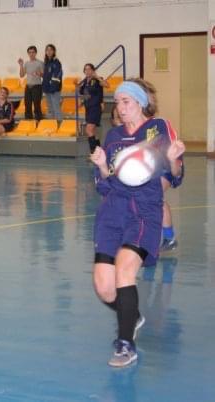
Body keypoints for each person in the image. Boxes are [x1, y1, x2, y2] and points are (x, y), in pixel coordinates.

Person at [89, 78, 185, 367]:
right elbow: (103, 186)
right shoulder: (113, 136)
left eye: (125, 101)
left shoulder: (158, 130)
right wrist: (103, 166)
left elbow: (175, 176)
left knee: (125, 269)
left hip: (143, 212)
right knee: (104, 288)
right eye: (117, 102)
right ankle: (131, 316)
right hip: (112, 213)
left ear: (141, 102)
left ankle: (125, 344)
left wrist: (173, 160)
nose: (120, 107)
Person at [112, 97, 181, 253]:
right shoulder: (119, 135)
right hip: (142, 172)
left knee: (153, 197)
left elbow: (168, 147)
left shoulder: (157, 125)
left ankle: (168, 237)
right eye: (116, 118)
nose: (120, 120)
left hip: (163, 168)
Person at [78, 63, 109, 153]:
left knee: (88, 129)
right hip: (88, 108)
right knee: (93, 131)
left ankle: (93, 152)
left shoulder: (97, 80)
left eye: (89, 69)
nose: (87, 71)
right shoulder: (85, 82)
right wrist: (82, 101)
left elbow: (107, 85)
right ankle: (99, 152)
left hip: (95, 107)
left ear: (93, 70)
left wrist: (97, 77)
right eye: (86, 69)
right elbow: (84, 94)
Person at [18, 46, 44, 121]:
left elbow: (44, 75)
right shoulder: (26, 63)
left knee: (36, 105)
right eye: (30, 52)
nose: (31, 54)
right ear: (28, 53)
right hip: (28, 86)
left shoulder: (40, 63)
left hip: (37, 86)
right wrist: (21, 65)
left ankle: (39, 121)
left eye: (33, 52)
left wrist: (40, 74)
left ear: (36, 53)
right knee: (27, 105)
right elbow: (22, 75)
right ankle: (28, 122)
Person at [42, 44, 63, 122]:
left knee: (56, 108)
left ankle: (59, 125)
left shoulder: (56, 62)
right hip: (47, 89)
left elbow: (57, 76)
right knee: (50, 109)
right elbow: (47, 76)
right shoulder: (46, 63)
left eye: (51, 50)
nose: (49, 51)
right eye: (47, 50)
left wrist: (53, 88)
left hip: (54, 90)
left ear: (54, 51)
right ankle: (52, 125)